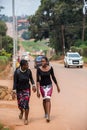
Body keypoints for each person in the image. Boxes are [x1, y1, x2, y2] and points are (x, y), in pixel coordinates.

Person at [36, 56, 60, 122]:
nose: (42, 62)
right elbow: (37, 80)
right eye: (41, 61)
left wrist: (57, 86)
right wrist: (37, 91)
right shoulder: (39, 69)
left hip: (49, 86)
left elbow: (53, 77)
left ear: (46, 62)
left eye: (43, 61)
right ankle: (46, 113)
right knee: (44, 100)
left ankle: (48, 116)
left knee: (48, 99)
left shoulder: (50, 68)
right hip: (42, 87)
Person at [12, 59, 36, 125]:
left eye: (27, 64)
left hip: (26, 89)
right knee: (20, 105)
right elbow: (15, 82)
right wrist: (14, 91)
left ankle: (26, 119)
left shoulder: (28, 71)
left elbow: (31, 79)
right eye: (26, 65)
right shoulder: (17, 72)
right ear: (22, 66)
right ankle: (21, 112)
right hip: (19, 90)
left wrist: (33, 85)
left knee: (26, 104)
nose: (28, 66)